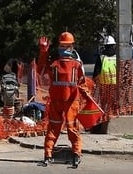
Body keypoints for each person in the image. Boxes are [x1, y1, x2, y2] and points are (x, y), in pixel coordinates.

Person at [37, 31, 88, 168]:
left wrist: (44, 52)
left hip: (61, 101)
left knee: (57, 127)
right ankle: (73, 154)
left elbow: (40, 69)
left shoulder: (55, 64)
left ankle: (51, 154)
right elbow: (83, 83)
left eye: (66, 46)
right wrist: (43, 52)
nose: (65, 49)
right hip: (69, 101)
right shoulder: (75, 65)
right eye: (63, 46)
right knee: (70, 128)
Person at [92, 35, 117, 114]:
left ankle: (105, 116)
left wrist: (94, 84)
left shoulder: (101, 57)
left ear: (105, 46)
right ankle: (112, 114)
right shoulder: (117, 57)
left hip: (104, 85)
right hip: (115, 85)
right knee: (114, 103)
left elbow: (96, 72)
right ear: (113, 45)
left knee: (104, 104)